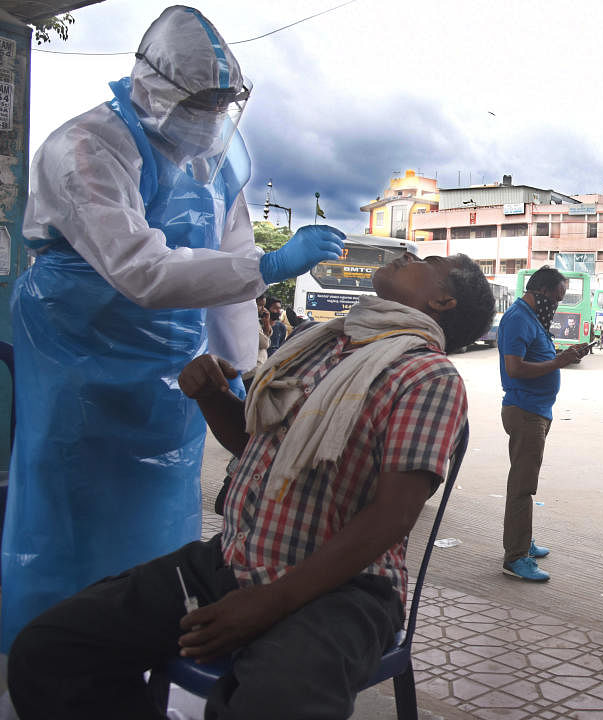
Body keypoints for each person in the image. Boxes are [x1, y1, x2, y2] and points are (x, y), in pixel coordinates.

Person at [7, 251, 496, 719]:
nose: (409, 256)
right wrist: (212, 396)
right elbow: (254, 445)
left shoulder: (428, 377)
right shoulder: (322, 343)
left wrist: (269, 602)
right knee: (50, 650)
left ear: (443, 302)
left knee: (275, 706)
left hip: (344, 590)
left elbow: (392, 516)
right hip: (233, 559)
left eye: (428, 264)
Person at [0, 5, 347, 651]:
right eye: (204, 100)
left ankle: (142, 648)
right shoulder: (85, 147)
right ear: (154, 86)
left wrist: (241, 370)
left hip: (170, 369)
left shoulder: (215, 161)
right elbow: (143, 271)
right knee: (72, 507)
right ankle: (46, 660)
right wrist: (271, 263)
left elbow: (229, 279)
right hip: (82, 354)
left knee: (159, 506)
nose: (215, 115)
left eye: (225, 102)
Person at [498, 267, 591, 582]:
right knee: (523, 487)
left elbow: (538, 357)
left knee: (526, 483)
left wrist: (564, 355)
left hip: (536, 410)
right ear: (540, 290)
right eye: (556, 297)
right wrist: (558, 363)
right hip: (524, 411)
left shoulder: (532, 318)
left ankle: (522, 540)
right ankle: (515, 557)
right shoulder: (518, 319)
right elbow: (515, 369)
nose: (558, 304)